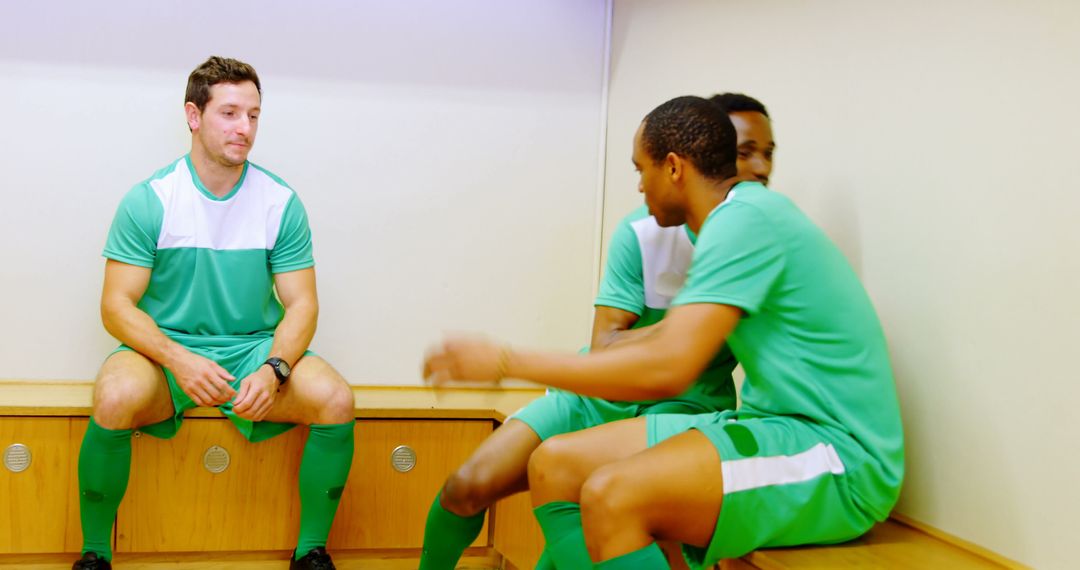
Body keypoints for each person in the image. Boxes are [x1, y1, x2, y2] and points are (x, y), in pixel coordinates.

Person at [423, 95, 904, 569]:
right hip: (770, 426)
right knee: (554, 465)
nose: (639, 185)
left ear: (673, 168)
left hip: (838, 457)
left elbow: (669, 369)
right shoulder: (721, 223)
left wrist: (505, 361)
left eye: (641, 169)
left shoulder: (746, 221)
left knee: (612, 495)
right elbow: (638, 346)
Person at [73, 56, 355, 570]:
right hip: (165, 351)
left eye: (253, 115)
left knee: (335, 398)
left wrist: (275, 369)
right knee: (114, 397)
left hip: (251, 350)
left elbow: (302, 304)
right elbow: (115, 307)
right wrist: (178, 359)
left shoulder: (280, 201)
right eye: (229, 113)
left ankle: (310, 551)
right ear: (193, 115)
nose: (244, 128)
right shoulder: (150, 200)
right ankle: (95, 554)